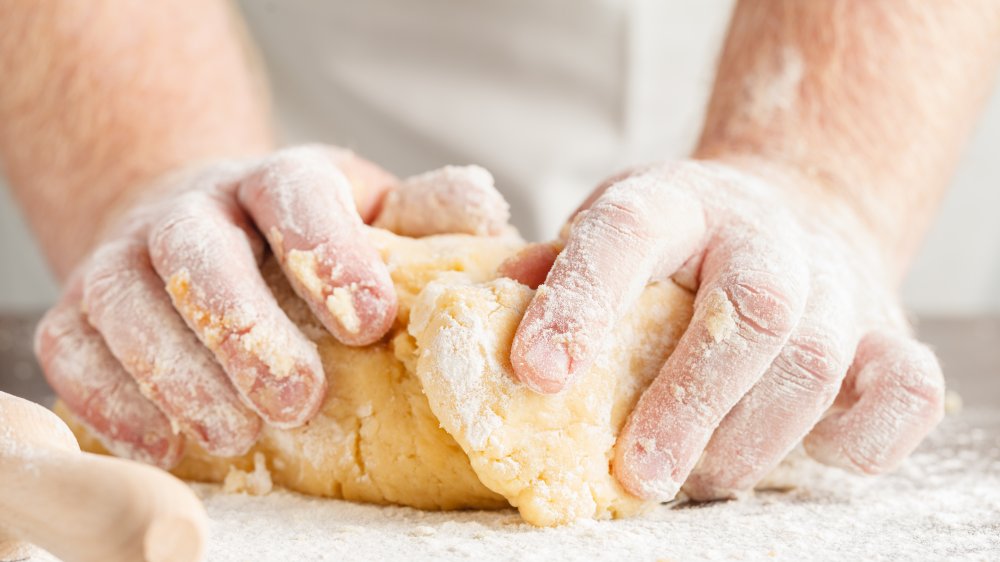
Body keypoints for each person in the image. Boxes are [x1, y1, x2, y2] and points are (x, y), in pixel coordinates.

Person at [1, 0, 997, 503]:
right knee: (250, 297)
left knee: (773, 305)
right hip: (289, 91)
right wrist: (149, 165)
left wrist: (817, 174)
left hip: (826, 72)